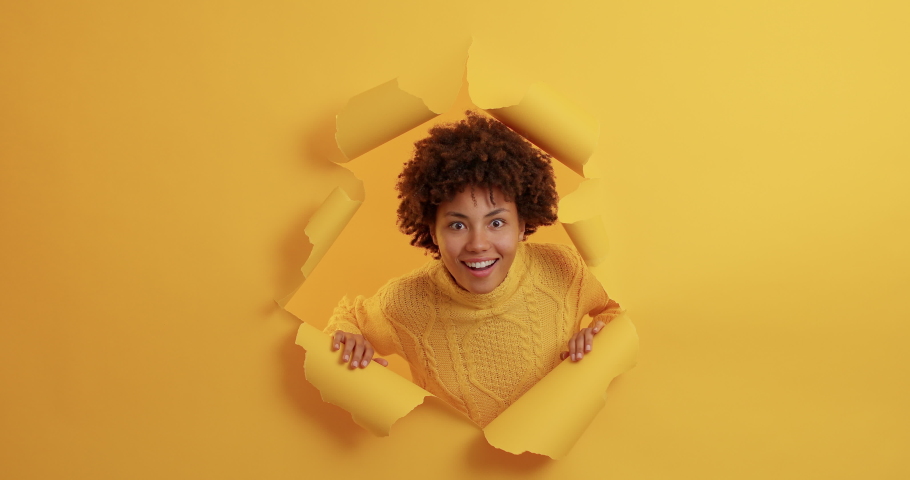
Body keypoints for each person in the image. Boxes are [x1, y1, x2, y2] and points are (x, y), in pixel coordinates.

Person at [325, 111, 622, 427]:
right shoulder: (404, 302)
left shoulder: (563, 268)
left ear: (522, 224)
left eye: (496, 222)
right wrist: (348, 337)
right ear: (433, 231)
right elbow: (347, 320)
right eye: (457, 225)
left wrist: (598, 334)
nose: (478, 244)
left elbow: (617, 312)